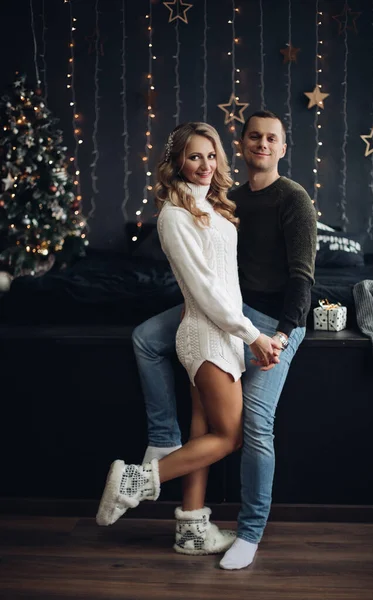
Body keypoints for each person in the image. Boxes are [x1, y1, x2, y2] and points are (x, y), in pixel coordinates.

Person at [132, 110, 317, 570]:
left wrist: (278, 334)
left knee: (253, 424)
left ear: (283, 147)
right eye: (254, 136)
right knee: (145, 337)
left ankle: (250, 532)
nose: (262, 144)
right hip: (225, 311)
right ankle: (163, 444)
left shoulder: (293, 199)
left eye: (272, 138)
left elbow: (303, 279)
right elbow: (207, 269)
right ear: (242, 143)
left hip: (273, 321)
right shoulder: (225, 200)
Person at [96, 122, 279, 557]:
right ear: (178, 160)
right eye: (195, 156)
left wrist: (242, 332)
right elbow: (203, 289)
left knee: (203, 430)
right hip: (208, 336)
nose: (205, 165)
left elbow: (225, 283)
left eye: (211, 156)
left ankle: (192, 529)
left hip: (222, 333)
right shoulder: (175, 217)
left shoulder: (213, 208)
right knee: (230, 437)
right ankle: (134, 481)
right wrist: (253, 335)